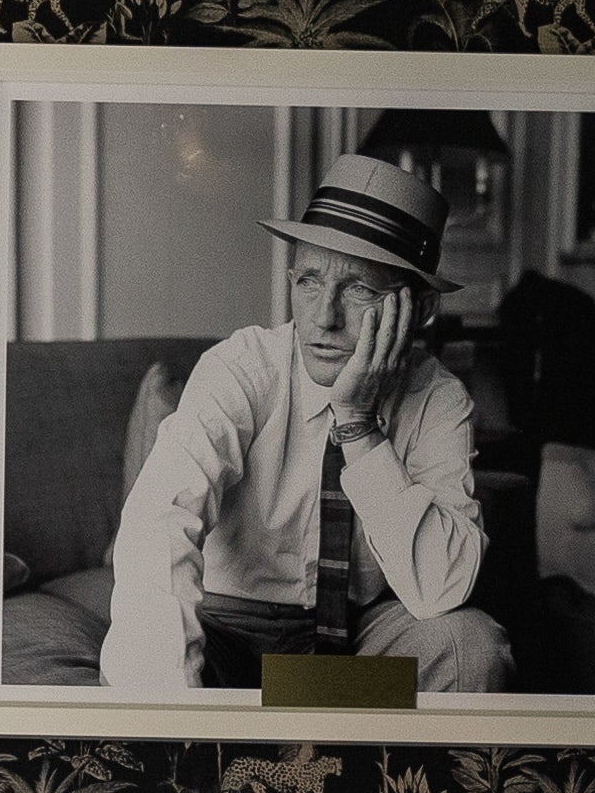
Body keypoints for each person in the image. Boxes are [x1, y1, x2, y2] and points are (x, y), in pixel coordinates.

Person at [97, 153, 513, 694]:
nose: (323, 317)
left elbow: (441, 589)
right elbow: (160, 520)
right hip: (227, 632)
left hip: (356, 643)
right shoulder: (242, 368)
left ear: (422, 308)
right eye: (310, 281)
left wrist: (360, 426)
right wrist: (175, 716)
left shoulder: (438, 399)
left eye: (360, 289)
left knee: (470, 649)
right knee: (153, 658)